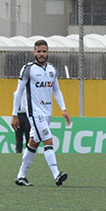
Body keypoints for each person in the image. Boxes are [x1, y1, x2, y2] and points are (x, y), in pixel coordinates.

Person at [12, 39, 72, 187]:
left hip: (47, 113)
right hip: (35, 113)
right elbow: (19, 92)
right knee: (48, 140)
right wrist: (14, 114)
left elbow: (57, 91)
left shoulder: (52, 69)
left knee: (33, 143)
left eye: (44, 51)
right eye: (38, 51)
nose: (41, 54)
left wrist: (63, 109)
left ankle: (21, 176)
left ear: (48, 52)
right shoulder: (28, 69)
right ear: (34, 52)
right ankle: (56, 175)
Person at [13, 83, 31, 154]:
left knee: (28, 133)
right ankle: (18, 150)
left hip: (27, 114)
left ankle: (28, 150)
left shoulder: (29, 92)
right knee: (18, 134)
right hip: (19, 114)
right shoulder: (16, 93)